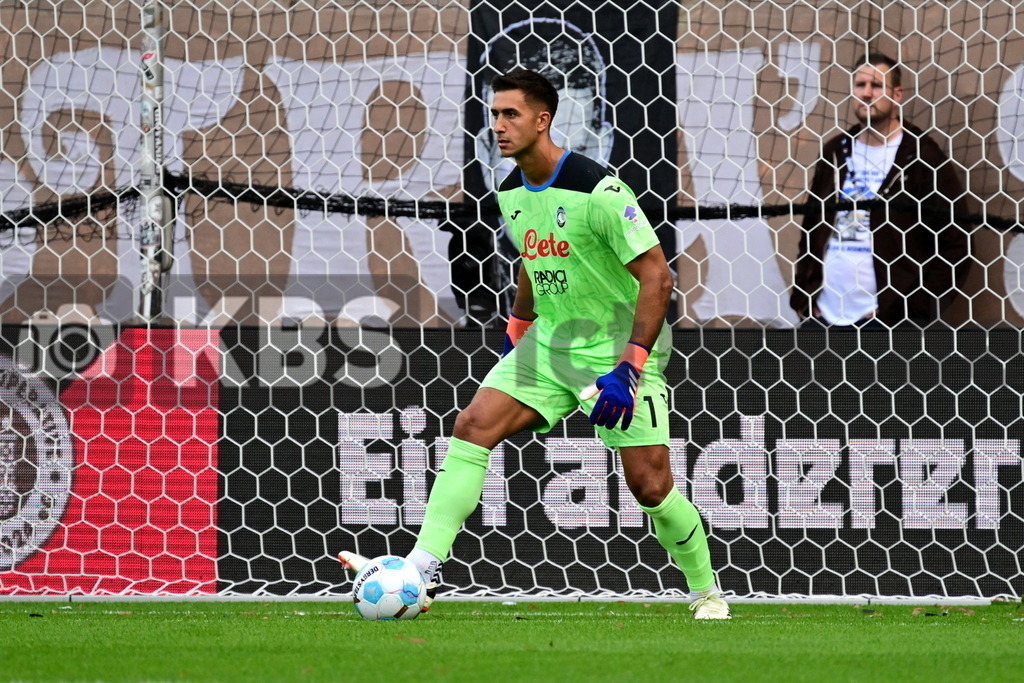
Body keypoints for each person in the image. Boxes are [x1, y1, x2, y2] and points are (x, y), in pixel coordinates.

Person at [340, 69, 730, 619]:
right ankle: (421, 568)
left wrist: (630, 365)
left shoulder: (598, 190)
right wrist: (517, 330)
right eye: (494, 115)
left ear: (543, 120)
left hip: (614, 349)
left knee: (650, 486)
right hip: (551, 341)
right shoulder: (510, 191)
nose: (498, 126)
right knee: (474, 425)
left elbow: (658, 277)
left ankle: (707, 591)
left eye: (511, 115)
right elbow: (532, 256)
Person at [445, 17, 615, 326]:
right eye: (523, 156)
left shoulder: (612, 207)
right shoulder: (471, 279)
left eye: (567, 156)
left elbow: (656, 278)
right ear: (485, 154)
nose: (548, 180)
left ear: (601, 150)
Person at [791, 53, 970, 327]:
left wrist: (910, 311)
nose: (866, 93)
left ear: (897, 94)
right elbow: (811, 229)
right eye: (860, 85)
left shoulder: (921, 157)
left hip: (886, 324)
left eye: (876, 86)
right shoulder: (835, 152)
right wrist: (805, 297)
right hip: (824, 316)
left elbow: (957, 243)